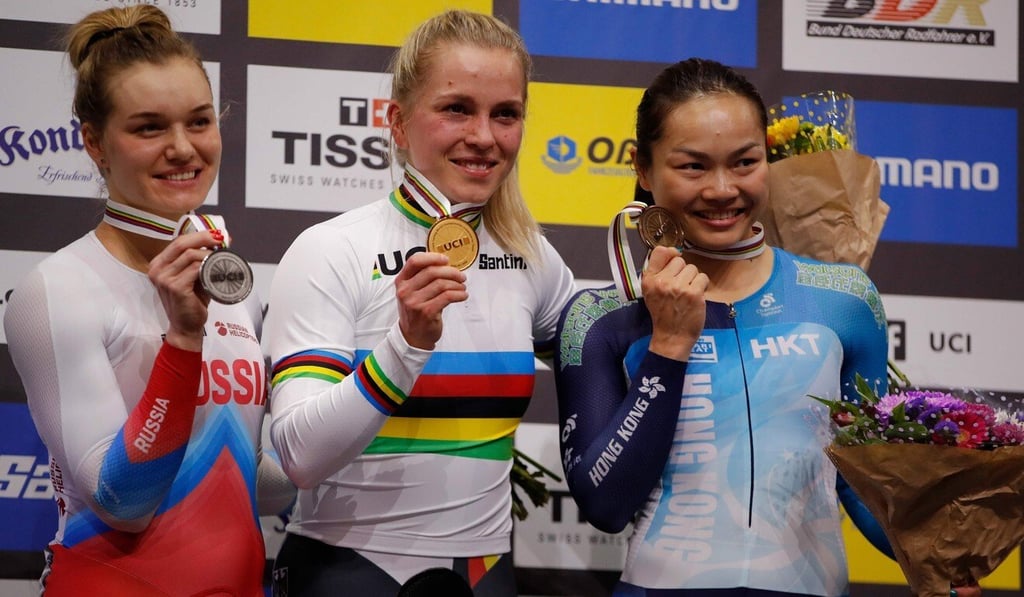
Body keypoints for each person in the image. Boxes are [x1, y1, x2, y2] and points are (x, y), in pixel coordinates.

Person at [553, 58, 981, 597]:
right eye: (692, 167)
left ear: (768, 160)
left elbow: (861, 484)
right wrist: (668, 347)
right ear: (642, 167)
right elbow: (605, 504)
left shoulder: (844, 300)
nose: (722, 189)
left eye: (744, 162)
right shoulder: (601, 317)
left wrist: (939, 559)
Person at [262, 9, 575, 597]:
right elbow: (299, 456)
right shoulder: (332, 250)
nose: (484, 136)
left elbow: (607, 362)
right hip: (349, 571)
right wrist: (404, 346)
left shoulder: (531, 255)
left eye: (505, 114)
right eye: (457, 108)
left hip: (485, 573)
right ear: (399, 123)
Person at [3, 6, 293, 595]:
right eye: (149, 128)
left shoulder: (229, 282)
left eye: (199, 121)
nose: (183, 148)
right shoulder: (57, 289)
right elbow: (124, 501)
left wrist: (374, 386)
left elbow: (245, 477)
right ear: (94, 142)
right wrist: (182, 339)